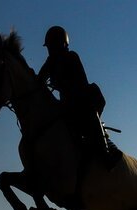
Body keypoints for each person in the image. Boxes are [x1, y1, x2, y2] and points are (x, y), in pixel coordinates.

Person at [38, 26, 114, 169]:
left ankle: (105, 154)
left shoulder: (71, 56)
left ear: (62, 44)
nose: (50, 50)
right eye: (49, 47)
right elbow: (39, 79)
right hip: (65, 104)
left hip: (81, 102)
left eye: (52, 46)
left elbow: (79, 83)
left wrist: (59, 83)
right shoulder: (50, 62)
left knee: (90, 115)